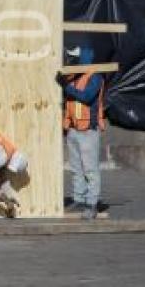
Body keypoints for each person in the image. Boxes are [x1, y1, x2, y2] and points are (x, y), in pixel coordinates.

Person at [56, 46, 105, 220]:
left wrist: (65, 86)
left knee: (90, 170)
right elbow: (69, 104)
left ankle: (91, 204)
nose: (70, 61)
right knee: (76, 169)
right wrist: (66, 126)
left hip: (88, 131)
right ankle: (79, 199)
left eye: (74, 58)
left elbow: (85, 97)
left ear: (83, 58)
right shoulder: (74, 77)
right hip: (74, 131)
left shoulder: (95, 77)